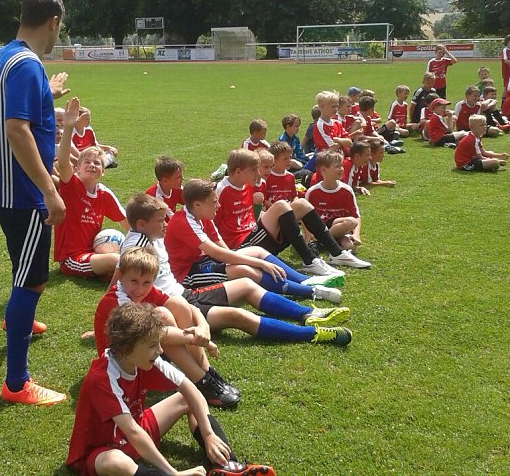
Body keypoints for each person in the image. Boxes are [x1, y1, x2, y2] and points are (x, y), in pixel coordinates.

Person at [67, 302, 275, 476]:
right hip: (102, 449)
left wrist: (209, 433)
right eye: (152, 345)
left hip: (139, 428)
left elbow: (191, 390)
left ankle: (228, 466)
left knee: (187, 400)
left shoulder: (148, 358)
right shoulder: (102, 379)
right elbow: (133, 432)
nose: (159, 350)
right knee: (115, 462)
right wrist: (173, 472)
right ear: (125, 349)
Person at [121, 194, 352, 347]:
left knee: (247, 285)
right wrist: (119, 323)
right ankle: (316, 334)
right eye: (161, 221)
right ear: (142, 224)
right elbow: (123, 285)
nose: (166, 225)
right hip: (175, 306)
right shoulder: (137, 247)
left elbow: (117, 278)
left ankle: (307, 314)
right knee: (238, 316)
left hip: (184, 294)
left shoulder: (153, 236)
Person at [0, 0, 67, 406]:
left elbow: (14, 114)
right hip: (23, 191)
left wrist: (46, 94)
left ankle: (19, 320)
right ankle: (17, 383)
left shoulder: (4, 56)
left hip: (2, 181)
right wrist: (50, 191)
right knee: (33, 278)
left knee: (22, 262)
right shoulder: (27, 65)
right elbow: (17, 130)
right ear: (53, 21)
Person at [94, 247, 239, 409]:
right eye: (134, 281)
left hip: (143, 352)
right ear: (120, 277)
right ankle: (201, 380)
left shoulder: (143, 291)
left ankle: (205, 371)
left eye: (146, 282)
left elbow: (185, 306)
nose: (140, 289)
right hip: (124, 364)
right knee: (161, 317)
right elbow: (155, 334)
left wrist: (202, 325)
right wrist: (198, 339)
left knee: (176, 304)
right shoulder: (117, 301)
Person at [164, 179, 342, 304]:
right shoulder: (183, 221)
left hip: (204, 263)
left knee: (257, 250)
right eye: (214, 202)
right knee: (245, 270)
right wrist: (258, 264)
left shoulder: (204, 215)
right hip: (187, 275)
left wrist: (244, 257)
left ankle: (305, 281)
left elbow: (223, 248)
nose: (218, 206)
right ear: (197, 205)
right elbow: (217, 253)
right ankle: (311, 291)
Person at [215, 148, 359, 275]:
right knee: (282, 206)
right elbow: (211, 226)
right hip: (241, 247)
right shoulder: (222, 190)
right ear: (239, 171)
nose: (258, 174)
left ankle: (336, 252)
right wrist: (226, 254)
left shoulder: (249, 185)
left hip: (255, 235)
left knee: (301, 204)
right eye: (254, 169)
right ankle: (310, 260)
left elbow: (251, 216)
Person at [55, 98, 129, 279]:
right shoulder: (71, 186)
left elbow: (127, 223)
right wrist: (69, 127)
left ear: (103, 171)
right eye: (86, 162)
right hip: (73, 257)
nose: (92, 165)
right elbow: (63, 161)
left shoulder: (104, 194)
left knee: (128, 259)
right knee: (117, 261)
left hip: (94, 253)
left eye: (97, 163)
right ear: (77, 168)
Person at [304, 150, 370, 269]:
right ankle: (324, 242)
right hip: (320, 228)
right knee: (348, 239)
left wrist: (356, 235)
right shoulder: (313, 191)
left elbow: (356, 216)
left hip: (340, 226)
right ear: (324, 170)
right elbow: (304, 216)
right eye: (337, 166)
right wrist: (307, 236)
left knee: (350, 243)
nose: (341, 169)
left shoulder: (346, 190)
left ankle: (320, 243)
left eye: (342, 166)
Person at [146, 155, 184, 220]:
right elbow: (173, 220)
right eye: (178, 177)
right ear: (165, 180)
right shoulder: (154, 197)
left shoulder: (177, 188)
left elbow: (192, 203)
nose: (182, 179)